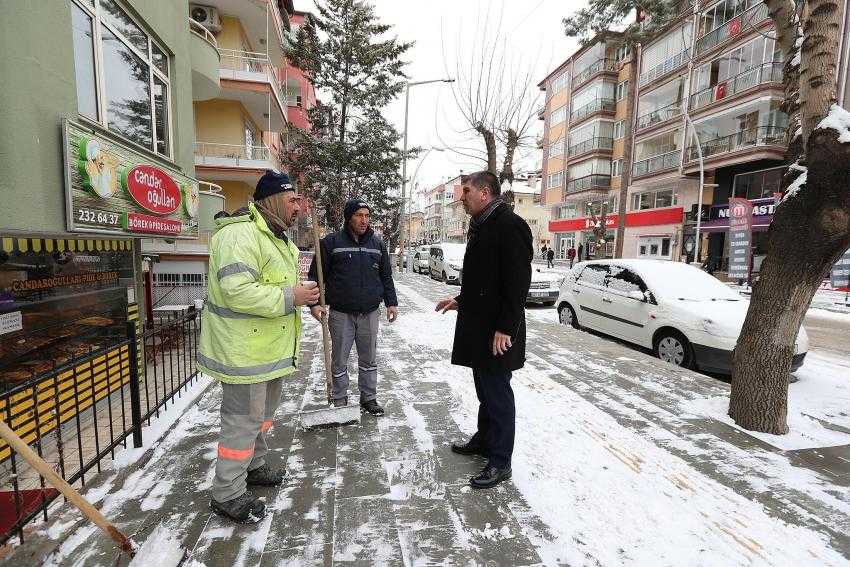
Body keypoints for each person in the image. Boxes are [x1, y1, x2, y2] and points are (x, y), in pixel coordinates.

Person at [198, 170, 320, 523]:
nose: (298, 206)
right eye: (292, 199)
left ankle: (255, 466)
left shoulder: (280, 239)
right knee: (240, 422)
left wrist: (306, 301)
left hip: (267, 351)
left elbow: (283, 285)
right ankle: (227, 493)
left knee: (261, 418)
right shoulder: (239, 235)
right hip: (244, 352)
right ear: (272, 200)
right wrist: (291, 296)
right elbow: (237, 290)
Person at [435, 171, 533, 489]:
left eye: (466, 191)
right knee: (485, 391)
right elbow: (485, 281)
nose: (462, 197)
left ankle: (501, 461)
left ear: (485, 192)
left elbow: (517, 283)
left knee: (498, 394)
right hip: (481, 328)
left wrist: (506, 327)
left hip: (498, 331)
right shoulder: (482, 225)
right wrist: (460, 300)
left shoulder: (510, 226)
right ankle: (485, 439)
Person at [308, 198, 398, 416]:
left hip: (369, 312)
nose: (364, 220)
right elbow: (316, 276)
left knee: (369, 358)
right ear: (349, 217)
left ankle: (369, 397)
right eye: (359, 215)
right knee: (339, 358)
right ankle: (340, 399)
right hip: (340, 313)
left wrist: (391, 302)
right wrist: (314, 303)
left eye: (367, 216)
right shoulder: (331, 243)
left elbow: (386, 276)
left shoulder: (377, 245)